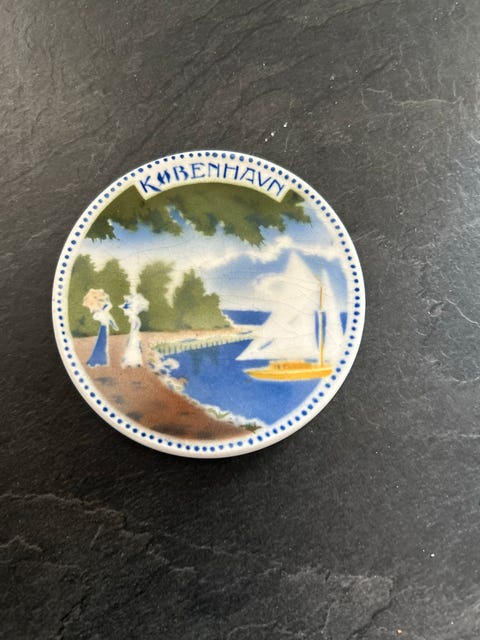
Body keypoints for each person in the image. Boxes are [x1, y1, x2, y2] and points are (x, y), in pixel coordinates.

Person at [83, 289, 118, 367]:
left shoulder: (103, 312)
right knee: (102, 342)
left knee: (102, 343)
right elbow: (109, 308)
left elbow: (109, 310)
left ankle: (100, 360)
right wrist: (114, 325)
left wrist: (114, 325)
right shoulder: (101, 312)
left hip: (104, 328)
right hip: (104, 329)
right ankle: (98, 360)